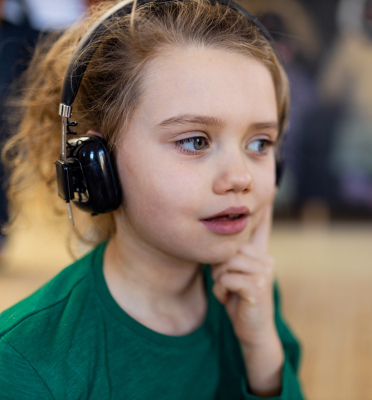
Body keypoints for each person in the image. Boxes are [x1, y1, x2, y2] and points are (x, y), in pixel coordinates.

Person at [0, 0, 304, 398]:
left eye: (261, 143)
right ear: (96, 164)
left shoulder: (251, 289)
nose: (241, 178)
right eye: (195, 141)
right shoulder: (24, 362)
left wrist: (260, 345)